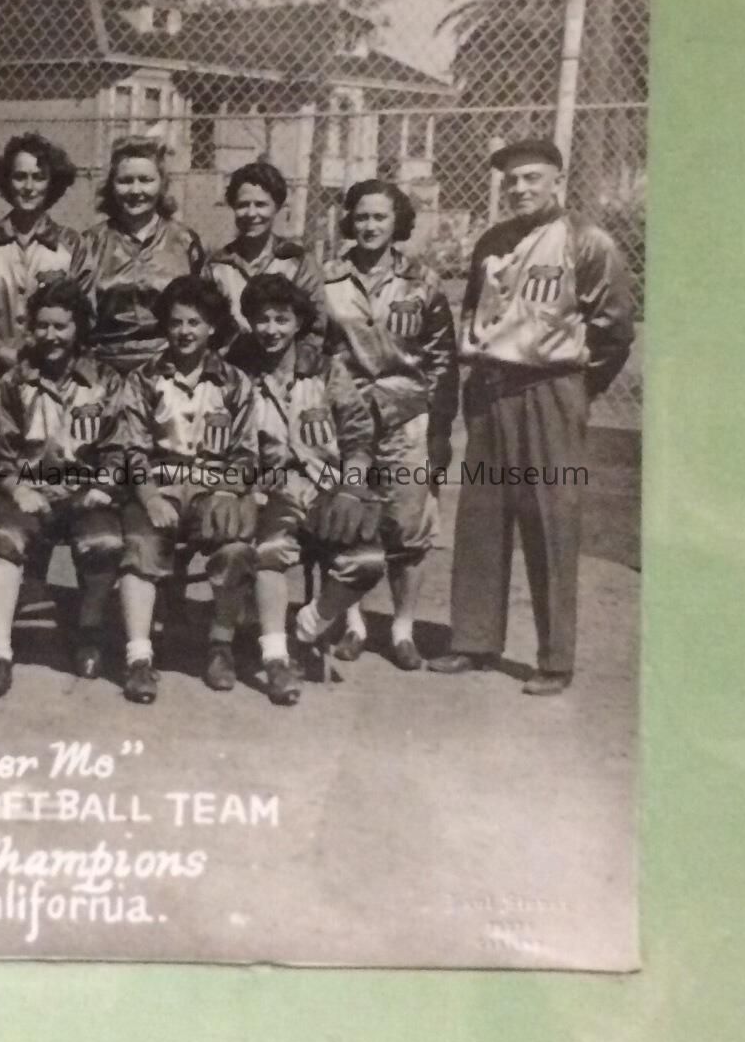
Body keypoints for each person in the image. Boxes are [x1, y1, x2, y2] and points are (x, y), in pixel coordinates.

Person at [428, 138, 635, 697]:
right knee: (481, 517)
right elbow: (476, 313)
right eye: (511, 180)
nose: (520, 188)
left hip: (550, 388)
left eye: (532, 178)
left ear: (557, 181)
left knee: (550, 521)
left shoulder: (586, 242)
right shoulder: (491, 242)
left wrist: (577, 390)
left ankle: (555, 658)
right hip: (491, 387)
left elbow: (614, 330)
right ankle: (474, 641)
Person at [320, 178, 458, 670]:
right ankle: (353, 624)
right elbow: (318, 349)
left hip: (407, 415)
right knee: (350, 519)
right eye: (361, 216)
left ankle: (402, 629)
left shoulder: (423, 281)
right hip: (347, 416)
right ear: (349, 221)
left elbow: (442, 360)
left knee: (408, 524)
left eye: (380, 216)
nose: (370, 225)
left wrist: (439, 430)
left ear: (397, 221)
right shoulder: (328, 279)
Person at [230, 272, 385, 705]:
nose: (271, 330)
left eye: (281, 319)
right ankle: (276, 658)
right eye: (262, 319)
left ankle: (306, 629)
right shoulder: (238, 371)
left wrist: (352, 487)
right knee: (269, 552)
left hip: (325, 487)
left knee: (368, 560)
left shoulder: (326, 368)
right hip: (271, 488)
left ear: (299, 322)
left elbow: (358, 436)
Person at [0, 276, 126, 699]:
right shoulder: (15, 382)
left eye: (61, 326)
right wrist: (16, 489)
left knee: (105, 542)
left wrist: (104, 486)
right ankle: (0, 651)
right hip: (31, 489)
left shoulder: (104, 380)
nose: (51, 335)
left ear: (79, 327)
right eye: (42, 326)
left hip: (84, 491)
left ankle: (89, 633)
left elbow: (118, 446)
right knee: (3, 539)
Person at [113, 274, 257, 704]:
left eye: (195, 322)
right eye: (176, 322)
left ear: (212, 326)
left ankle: (220, 646)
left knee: (235, 546)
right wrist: (150, 497)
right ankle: (139, 658)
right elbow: (132, 449)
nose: (184, 331)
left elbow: (245, 453)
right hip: (160, 483)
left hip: (215, 488)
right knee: (140, 545)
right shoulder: (143, 379)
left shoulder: (234, 381)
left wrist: (229, 491)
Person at [71, 137, 204, 373]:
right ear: (111, 185)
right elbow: (78, 316)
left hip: (168, 364)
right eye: (125, 181)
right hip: (104, 364)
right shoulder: (90, 242)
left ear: (162, 184)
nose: (135, 190)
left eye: (145, 180)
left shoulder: (184, 240)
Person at [0, 132, 79, 368]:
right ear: (7, 181)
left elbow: (82, 311)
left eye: (39, 178)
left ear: (52, 183)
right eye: (20, 177)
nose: (29, 187)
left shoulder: (71, 244)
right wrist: (0, 350)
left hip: (54, 368)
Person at [205, 159, 327, 346]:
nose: (251, 213)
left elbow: (315, 327)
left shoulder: (297, 262)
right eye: (243, 205)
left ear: (276, 207)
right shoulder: (217, 266)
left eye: (261, 205)